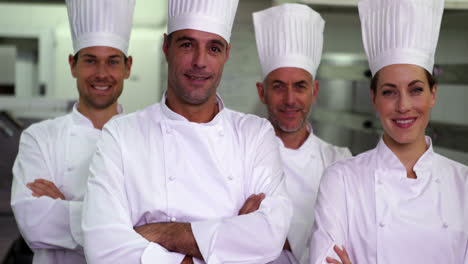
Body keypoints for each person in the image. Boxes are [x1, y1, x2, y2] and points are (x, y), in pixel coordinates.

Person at [81, 0, 293, 263]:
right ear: (166, 47)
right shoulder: (121, 135)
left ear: (226, 54)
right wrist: (230, 235)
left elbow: (270, 237)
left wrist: (160, 233)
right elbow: (101, 247)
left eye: (213, 48)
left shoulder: (254, 134)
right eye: (187, 44)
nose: (199, 61)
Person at [309, 0, 468, 263]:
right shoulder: (342, 181)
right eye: (389, 92)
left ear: (433, 94)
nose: (403, 106)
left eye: (416, 89)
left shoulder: (463, 184)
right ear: (374, 98)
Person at [10, 0, 135, 263]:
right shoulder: (39, 138)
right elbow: (33, 223)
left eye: (112, 62)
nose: (101, 74)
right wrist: (123, 224)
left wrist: (63, 207)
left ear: (128, 68)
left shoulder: (144, 138)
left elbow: (156, 228)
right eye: (90, 60)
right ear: (72, 64)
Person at [253, 4, 351, 264]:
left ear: (314, 91)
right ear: (262, 92)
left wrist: (266, 226)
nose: (289, 99)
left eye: (300, 86)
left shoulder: (338, 161)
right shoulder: (241, 153)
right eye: (278, 87)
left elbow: (342, 246)